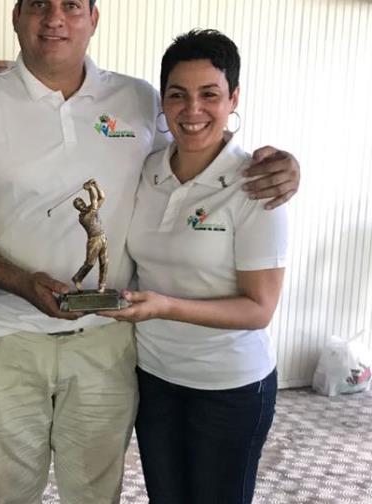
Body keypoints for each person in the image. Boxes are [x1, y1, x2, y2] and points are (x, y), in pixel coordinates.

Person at [0, 1, 300, 502]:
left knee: (95, 494)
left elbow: (200, 142)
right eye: (39, 4)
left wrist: (281, 164)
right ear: (16, 16)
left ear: (94, 18)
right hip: (8, 337)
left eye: (71, 5)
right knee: (13, 493)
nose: (55, 18)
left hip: (107, 341)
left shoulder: (139, 98)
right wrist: (23, 283)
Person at [99, 29, 287, 503]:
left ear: (234, 98)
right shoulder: (147, 170)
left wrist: (165, 306)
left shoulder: (256, 185)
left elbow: (259, 309)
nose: (193, 109)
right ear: (163, 102)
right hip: (156, 378)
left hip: (230, 387)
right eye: (178, 95)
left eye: (210, 94)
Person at [71, 178, 108, 292]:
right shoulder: (84, 217)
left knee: (105, 262)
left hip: (102, 237)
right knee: (90, 263)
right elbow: (95, 201)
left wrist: (96, 185)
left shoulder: (90, 209)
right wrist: (90, 188)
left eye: (81, 202)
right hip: (94, 240)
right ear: (77, 208)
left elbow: (102, 197)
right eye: (78, 205)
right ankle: (78, 278)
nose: (81, 205)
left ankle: (102, 285)